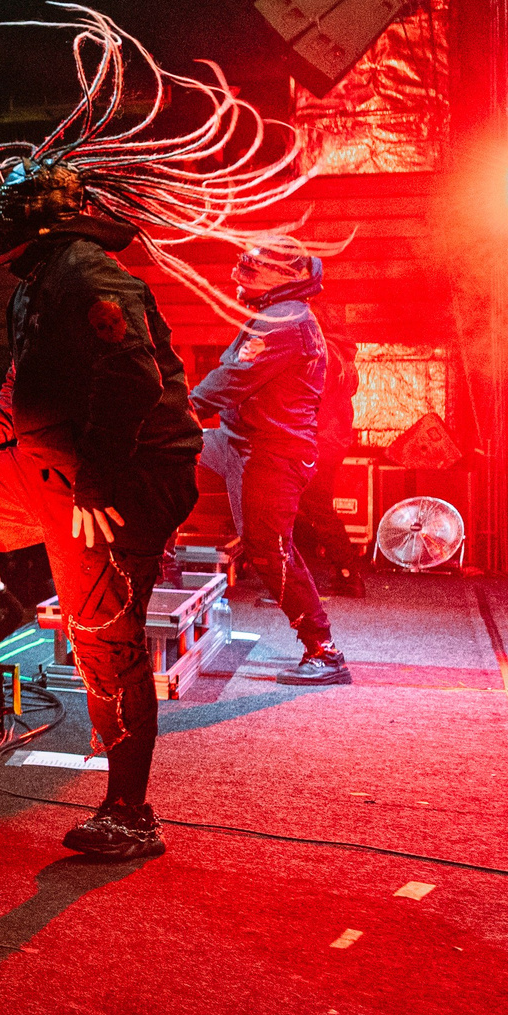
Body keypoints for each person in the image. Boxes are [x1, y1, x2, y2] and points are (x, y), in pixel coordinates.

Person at [0, 9, 289, 863]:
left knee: (106, 637)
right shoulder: (39, 282)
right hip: (55, 470)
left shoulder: (90, 274)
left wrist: (97, 480)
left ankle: (130, 811)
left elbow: (133, 382)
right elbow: (26, 386)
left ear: (30, 226)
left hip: (117, 481)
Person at [190, 240, 349, 686]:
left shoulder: (285, 322)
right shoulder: (276, 315)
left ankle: (324, 651)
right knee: (170, 451)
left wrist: (185, 408)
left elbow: (231, 379)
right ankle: (160, 561)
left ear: (282, 279)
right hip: (238, 441)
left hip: (272, 451)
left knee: (269, 549)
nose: (236, 280)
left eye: (250, 273)